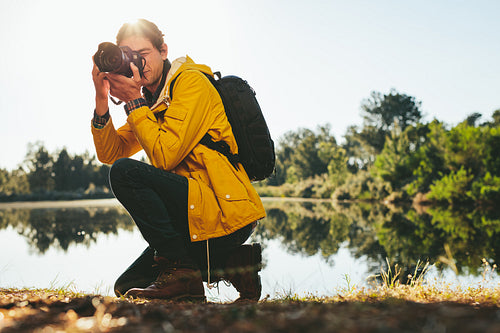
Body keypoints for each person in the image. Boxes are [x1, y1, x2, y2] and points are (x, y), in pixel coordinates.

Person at [91, 19, 266, 302]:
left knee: (125, 173)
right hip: (195, 216)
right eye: (127, 56)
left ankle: (184, 275)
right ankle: (235, 263)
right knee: (129, 285)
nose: (136, 62)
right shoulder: (152, 101)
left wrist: (134, 101)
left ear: (163, 51)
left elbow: (165, 155)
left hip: (222, 209)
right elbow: (110, 152)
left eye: (143, 54)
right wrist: (102, 100)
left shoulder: (190, 83)